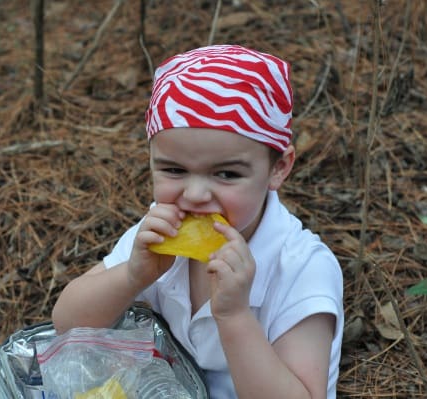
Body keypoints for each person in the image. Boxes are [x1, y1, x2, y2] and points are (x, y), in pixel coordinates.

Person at [52, 44, 344, 399]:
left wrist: (235, 316)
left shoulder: (302, 269)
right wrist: (132, 276)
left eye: (225, 173)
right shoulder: (159, 233)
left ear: (278, 168)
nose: (194, 195)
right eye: (174, 170)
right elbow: (67, 324)